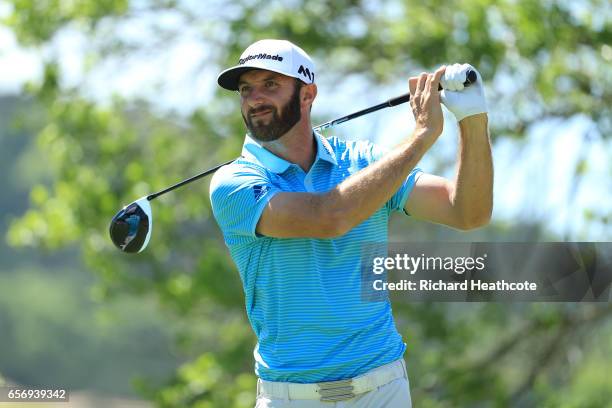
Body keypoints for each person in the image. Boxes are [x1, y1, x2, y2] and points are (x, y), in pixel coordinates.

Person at [210, 39, 493, 408]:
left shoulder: (363, 161)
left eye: (270, 85)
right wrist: (422, 135)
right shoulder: (234, 183)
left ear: (307, 94)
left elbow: (467, 212)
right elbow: (329, 217)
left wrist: (472, 119)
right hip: (291, 397)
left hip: (383, 388)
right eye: (246, 90)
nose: (255, 99)